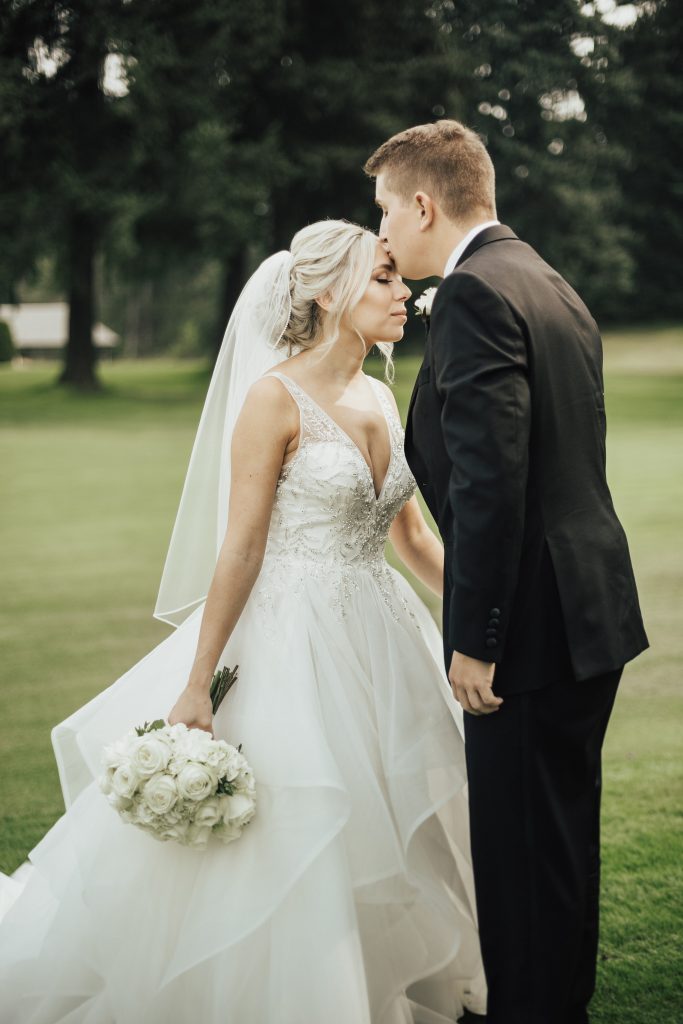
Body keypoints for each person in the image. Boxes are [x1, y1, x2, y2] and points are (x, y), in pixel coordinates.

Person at [0, 219, 487, 1023]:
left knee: (394, 812)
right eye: (385, 279)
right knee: (306, 825)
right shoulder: (272, 399)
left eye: (401, 281)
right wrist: (198, 683)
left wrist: (480, 623)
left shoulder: (379, 391)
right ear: (331, 293)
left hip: (384, 637)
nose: (406, 294)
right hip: (294, 641)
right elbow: (242, 548)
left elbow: (413, 537)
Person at [364, 120, 649, 1024]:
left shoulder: (477, 295)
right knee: (557, 851)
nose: (381, 236)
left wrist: (476, 641)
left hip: (526, 626)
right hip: (586, 611)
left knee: (522, 866)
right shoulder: (547, 282)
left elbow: (493, 485)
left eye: (384, 211)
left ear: (422, 203)